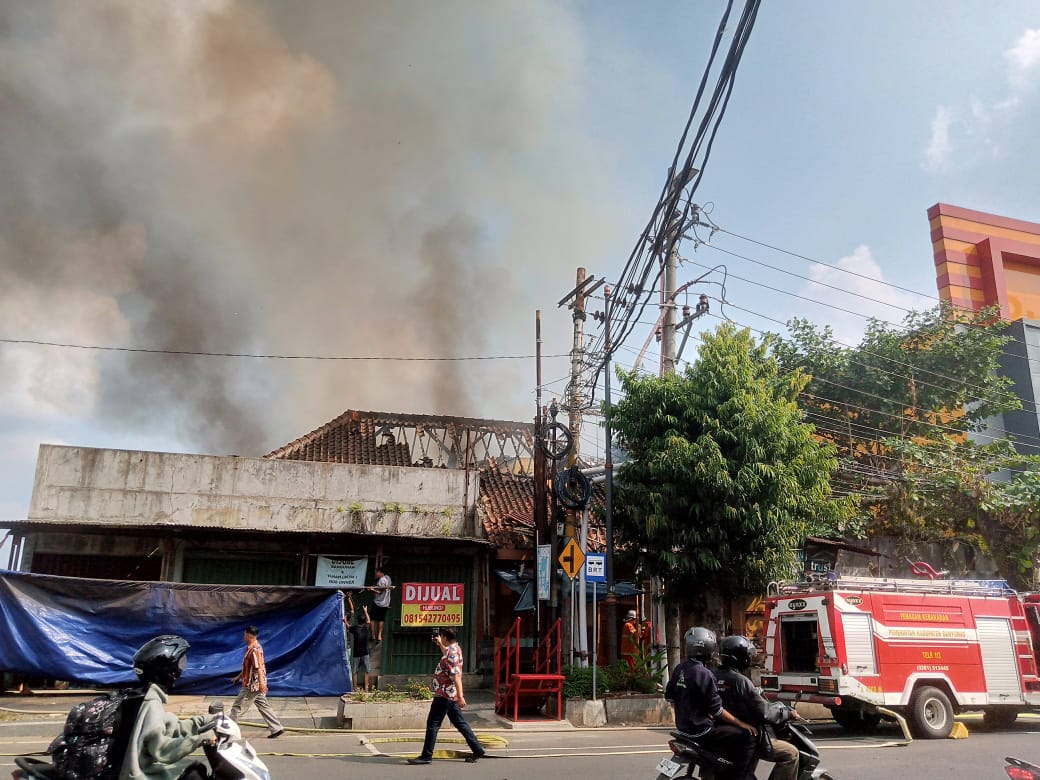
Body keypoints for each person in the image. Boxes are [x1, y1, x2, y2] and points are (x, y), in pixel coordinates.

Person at [664, 626, 757, 780]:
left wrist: (689, 710)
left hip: (683, 728)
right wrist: (741, 723)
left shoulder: (680, 668)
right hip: (702, 730)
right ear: (709, 648)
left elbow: (670, 697)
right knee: (748, 736)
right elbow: (717, 710)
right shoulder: (705, 674)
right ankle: (740, 776)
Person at [122, 634, 216, 780]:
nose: (181, 670)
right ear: (168, 671)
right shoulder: (151, 704)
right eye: (180, 664)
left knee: (195, 769)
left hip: (132, 767)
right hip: (139, 773)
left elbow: (169, 727)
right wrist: (200, 739)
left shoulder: (139, 696)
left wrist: (202, 721)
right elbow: (161, 750)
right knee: (195, 775)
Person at [715, 635, 800, 780]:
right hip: (746, 736)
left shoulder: (712, 676)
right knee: (791, 754)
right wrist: (788, 714)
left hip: (721, 734)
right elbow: (764, 713)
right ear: (742, 657)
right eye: (748, 655)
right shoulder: (741, 682)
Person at [407, 627, 485, 765]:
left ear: (445, 637)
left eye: (441, 636)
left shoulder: (453, 653)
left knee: (433, 724)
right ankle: (477, 748)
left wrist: (461, 696)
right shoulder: (453, 649)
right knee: (460, 724)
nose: (440, 637)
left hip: (445, 695)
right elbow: (447, 657)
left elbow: (456, 676)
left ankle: (426, 756)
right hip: (448, 694)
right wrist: (440, 645)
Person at [229, 626, 284, 739]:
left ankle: (228, 732)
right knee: (263, 706)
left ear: (249, 635)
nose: (243, 637)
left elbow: (258, 668)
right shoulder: (252, 648)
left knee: (238, 707)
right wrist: (238, 677)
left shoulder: (254, 650)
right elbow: (248, 668)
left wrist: (262, 684)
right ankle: (276, 728)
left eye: (244, 635)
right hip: (255, 683)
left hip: (252, 685)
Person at [343, 596, 372, 692]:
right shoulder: (366, 628)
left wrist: (345, 621)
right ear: (363, 622)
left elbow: (348, 626)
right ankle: (366, 688)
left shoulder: (354, 629)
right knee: (367, 671)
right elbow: (369, 620)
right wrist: (365, 611)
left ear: (358, 621)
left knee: (355, 671)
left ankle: (355, 689)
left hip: (356, 653)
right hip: (365, 653)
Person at [367, 566, 392, 643]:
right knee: (381, 619)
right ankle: (379, 636)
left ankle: (373, 635)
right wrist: (375, 587)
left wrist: (372, 590)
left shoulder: (382, 580)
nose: (376, 574)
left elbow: (380, 592)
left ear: (380, 572)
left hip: (378, 602)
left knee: (371, 618)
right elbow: (384, 589)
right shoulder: (388, 578)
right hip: (386, 603)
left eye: (376, 572)